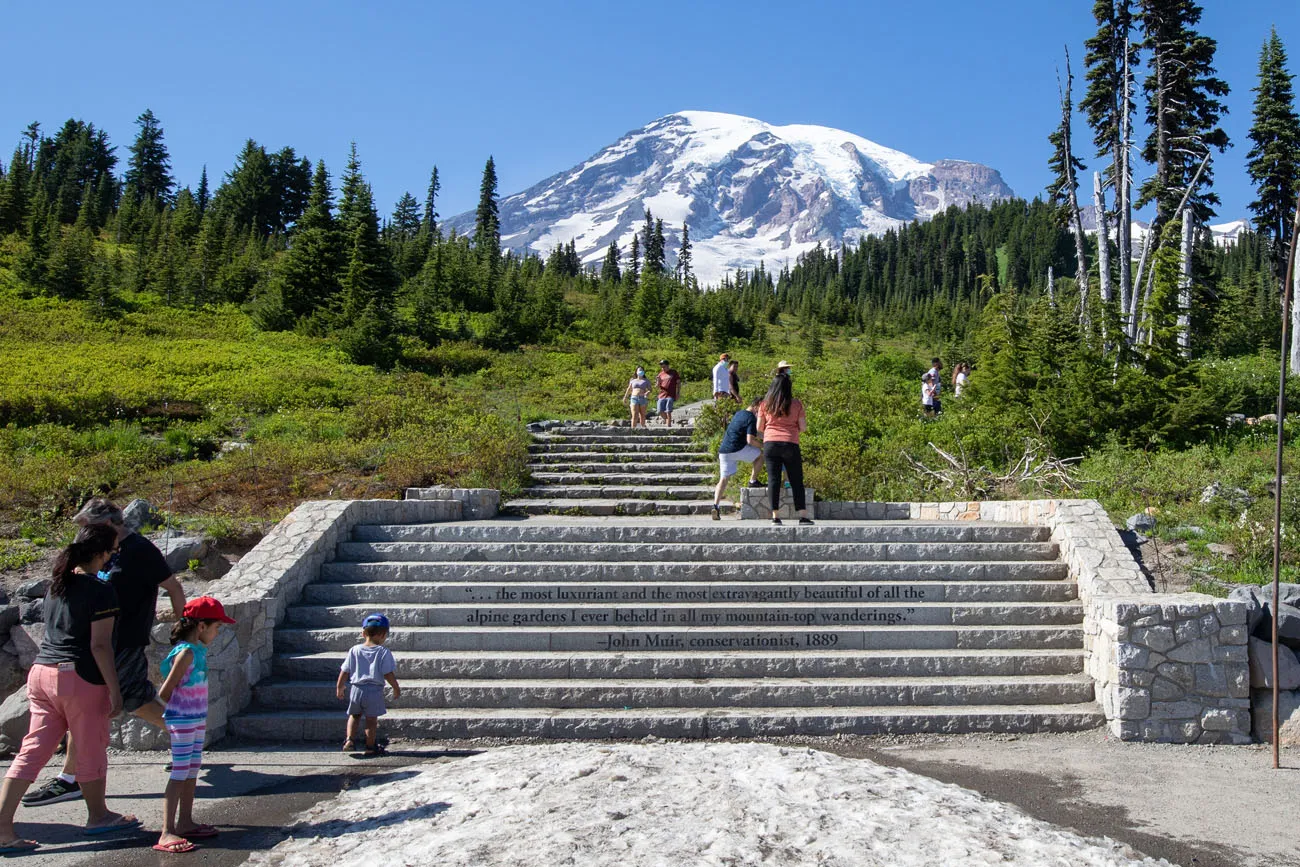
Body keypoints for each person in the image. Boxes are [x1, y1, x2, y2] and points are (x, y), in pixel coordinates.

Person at [23, 497, 185, 808]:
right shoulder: (88, 551)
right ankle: (184, 735)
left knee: (114, 702)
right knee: (111, 703)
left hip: (122, 642)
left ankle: (71, 778)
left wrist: (183, 634)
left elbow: (174, 588)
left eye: (87, 525)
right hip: (92, 642)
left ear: (109, 524)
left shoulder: (140, 550)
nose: (81, 532)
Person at [0, 526, 141, 854]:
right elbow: (100, 646)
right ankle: (99, 816)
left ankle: (3, 829)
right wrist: (115, 690)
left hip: (41, 674)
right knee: (92, 747)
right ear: (102, 553)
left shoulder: (56, 585)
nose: (115, 556)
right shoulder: (100, 591)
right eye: (114, 550)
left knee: (32, 751)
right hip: (78, 679)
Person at [154, 596, 236, 854]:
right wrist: (171, 717)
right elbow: (165, 691)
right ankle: (167, 831)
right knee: (179, 773)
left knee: (191, 771)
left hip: (195, 720)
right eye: (216, 627)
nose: (218, 631)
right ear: (201, 626)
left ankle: (186, 821)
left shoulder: (196, 651)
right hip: (182, 720)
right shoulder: (186, 653)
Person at [336, 613, 401, 757]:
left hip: (356, 689)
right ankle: (370, 747)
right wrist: (396, 687)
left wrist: (340, 687)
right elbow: (388, 673)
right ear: (384, 634)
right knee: (371, 720)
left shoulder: (354, 650)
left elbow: (344, 671)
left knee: (354, 715)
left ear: (363, 633)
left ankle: (349, 740)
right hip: (374, 691)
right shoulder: (383, 652)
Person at [756, 362, 812, 526]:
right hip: (790, 443)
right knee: (796, 479)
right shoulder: (796, 404)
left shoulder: (765, 404)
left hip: (771, 443)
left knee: (773, 479)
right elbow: (803, 428)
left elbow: (759, 427)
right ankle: (802, 515)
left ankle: (775, 516)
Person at [712, 397, 764, 520]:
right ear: (756, 406)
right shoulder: (751, 417)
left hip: (724, 451)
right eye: (761, 409)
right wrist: (764, 445)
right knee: (761, 455)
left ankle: (715, 506)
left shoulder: (739, 413)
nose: (761, 412)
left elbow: (755, 433)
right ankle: (753, 481)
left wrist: (768, 436)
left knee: (723, 480)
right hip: (737, 449)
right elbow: (750, 440)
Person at [656, 360, 681, 426]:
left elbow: (678, 383)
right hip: (662, 395)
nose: (662, 368)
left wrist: (678, 393)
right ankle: (667, 419)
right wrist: (658, 382)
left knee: (668, 410)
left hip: (670, 395)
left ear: (667, 366)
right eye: (661, 367)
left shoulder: (673, 372)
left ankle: (668, 426)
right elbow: (657, 386)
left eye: (664, 367)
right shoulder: (660, 374)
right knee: (659, 410)